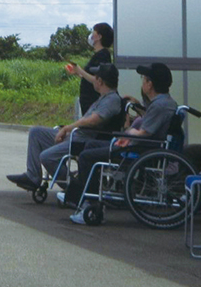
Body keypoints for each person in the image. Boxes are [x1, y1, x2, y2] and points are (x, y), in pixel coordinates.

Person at [64, 62, 181, 223]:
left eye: (144, 79)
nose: (142, 82)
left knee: (86, 156)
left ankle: (90, 203)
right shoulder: (164, 103)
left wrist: (127, 134)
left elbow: (143, 132)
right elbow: (149, 125)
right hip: (143, 145)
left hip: (139, 149)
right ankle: (82, 195)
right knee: (90, 145)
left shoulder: (160, 106)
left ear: (150, 84)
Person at [7, 62, 124, 192]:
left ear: (100, 81)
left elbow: (93, 121)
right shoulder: (104, 97)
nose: (93, 80)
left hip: (83, 139)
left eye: (95, 77)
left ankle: (73, 187)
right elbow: (93, 84)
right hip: (76, 135)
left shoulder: (112, 100)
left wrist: (67, 128)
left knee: (47, 157)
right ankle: (33, 176)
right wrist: (79, 71)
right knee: (36, 132)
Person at [64, 22, 114, 116]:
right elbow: (90, 77)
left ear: (99, 36)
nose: (91, 35)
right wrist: (77, 72)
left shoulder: (103, 55)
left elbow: (98, 80)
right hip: (88, 102)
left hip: (93, 101)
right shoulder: (98, 54)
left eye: (93, 32)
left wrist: (80, 70)